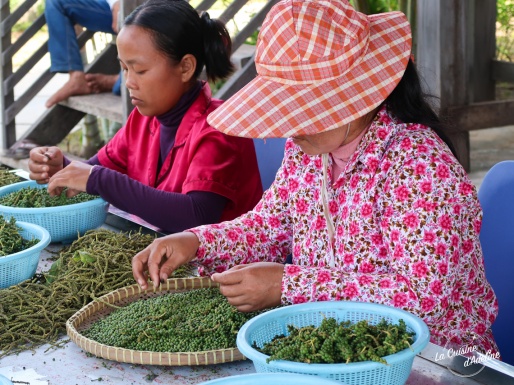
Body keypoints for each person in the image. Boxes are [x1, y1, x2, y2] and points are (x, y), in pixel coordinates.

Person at [131, 0, 499, 355]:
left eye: (303, 111)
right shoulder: (308, 151)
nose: (289, 128)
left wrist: (287, 285)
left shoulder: (420, 166)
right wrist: (196, 242)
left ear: (358, 97)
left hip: (437, 359)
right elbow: (270, 225)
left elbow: (422, 300)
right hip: (334, 344)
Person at [29, 0, 263, 233]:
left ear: (185, 68)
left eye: (140, 70)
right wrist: (61, 168)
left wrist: (100, 180)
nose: (129, 82)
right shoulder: (142, 120)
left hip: (225, 267)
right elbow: (93, 172)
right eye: (124, 69)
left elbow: (197, 215)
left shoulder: (220, 129)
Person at [45, 0, 122, 108]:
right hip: (120, 6)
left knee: (130, 87)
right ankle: (76, 77)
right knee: (55, 2)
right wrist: (116, 3)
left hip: (147, 10)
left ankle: (116, 81)